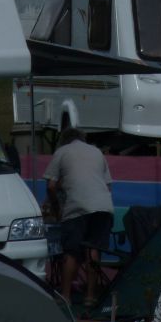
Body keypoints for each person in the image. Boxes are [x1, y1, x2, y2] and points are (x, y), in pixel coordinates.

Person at [43, 127, 114, 307]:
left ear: (64, 140)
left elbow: (51, 186)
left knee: (71, 252)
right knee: (93, 250)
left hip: (77, 207)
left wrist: (57, 208)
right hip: (103, 207)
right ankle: (90, 296)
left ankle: (65, 296)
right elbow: (108, 186)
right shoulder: (97, 152)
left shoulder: (62, 152)